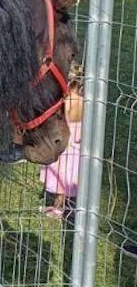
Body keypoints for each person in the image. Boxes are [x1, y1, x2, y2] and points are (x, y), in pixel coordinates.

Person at [40, 75, 83, 220]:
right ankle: (72, 207)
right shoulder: (85, 101)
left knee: (61, 179)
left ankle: (58, 208)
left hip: (65, 146)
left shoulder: (68, 99)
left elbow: (67, 116)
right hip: (78, 145)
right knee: (74, 176)